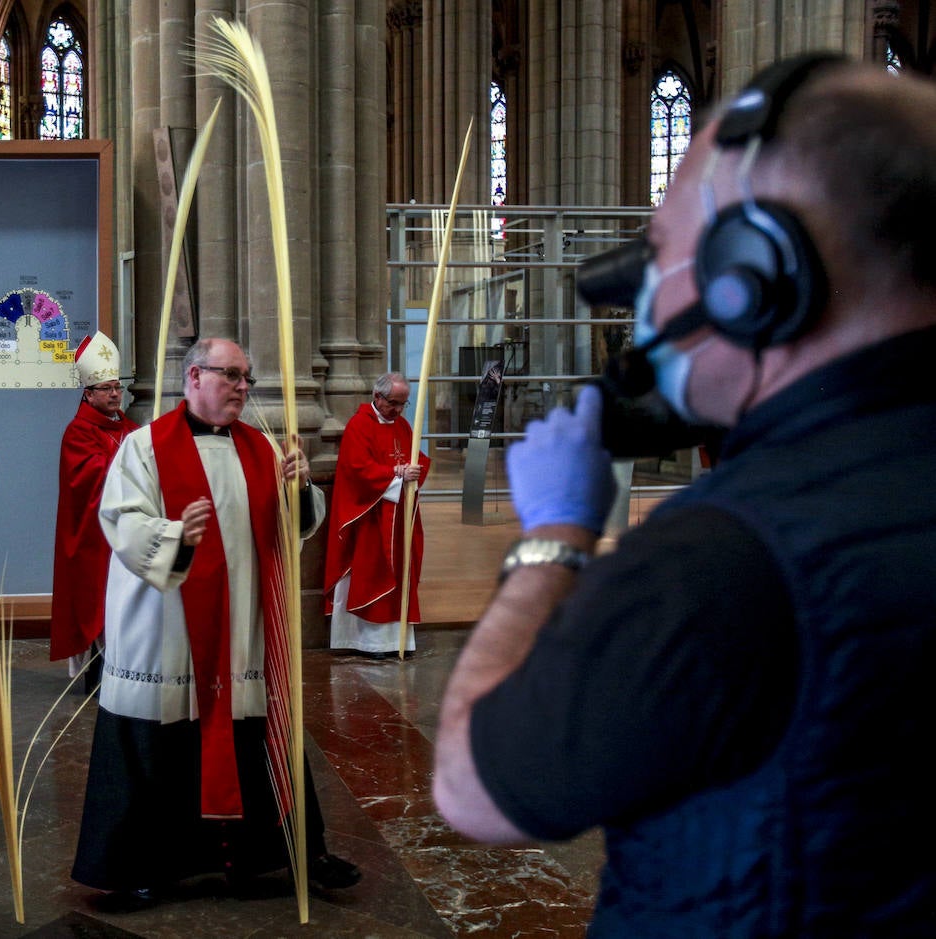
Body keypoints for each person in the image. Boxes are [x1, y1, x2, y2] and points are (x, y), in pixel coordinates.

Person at [433, 55, 936, 935]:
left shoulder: (727, 552)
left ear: (754, 274)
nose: (646, 296)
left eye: (664, 250)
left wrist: (555, 530)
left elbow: (475, 790)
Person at [72, 337, 360, 907]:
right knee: (159, 747)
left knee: (258, 736)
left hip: (242, 631)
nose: (243, 387)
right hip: (166, 631)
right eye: (231, 375)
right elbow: (121, 521)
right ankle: (139, 869)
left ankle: (279, 855)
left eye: (246, 377)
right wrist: (177, 536)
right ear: (193, 378)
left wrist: (299, 489)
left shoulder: (262, 448)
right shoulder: (144, 448)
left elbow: (295, 527)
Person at [50, 331, 139, 683]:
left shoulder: (131, 429)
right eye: (107, 389)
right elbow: (88, 478)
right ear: (88, 394)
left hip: (127, 533)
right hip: (94, 536)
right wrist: (128, 463)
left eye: (118, 387)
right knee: (98, 601)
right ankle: (97, 675)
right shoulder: (78, 432)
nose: (116, 394)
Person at [323, 372, 431, 657]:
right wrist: (395, 474)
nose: (397, 410)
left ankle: (396, 641)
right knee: (371, 572)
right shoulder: (358, 426)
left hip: (397, 516)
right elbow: (357, 469)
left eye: (403, 404)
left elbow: (415, 459)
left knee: (400, 572)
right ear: (377, 397)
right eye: (394, 403)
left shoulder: (403, 426)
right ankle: (366, 642)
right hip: (369, 516)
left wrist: (414, 470)